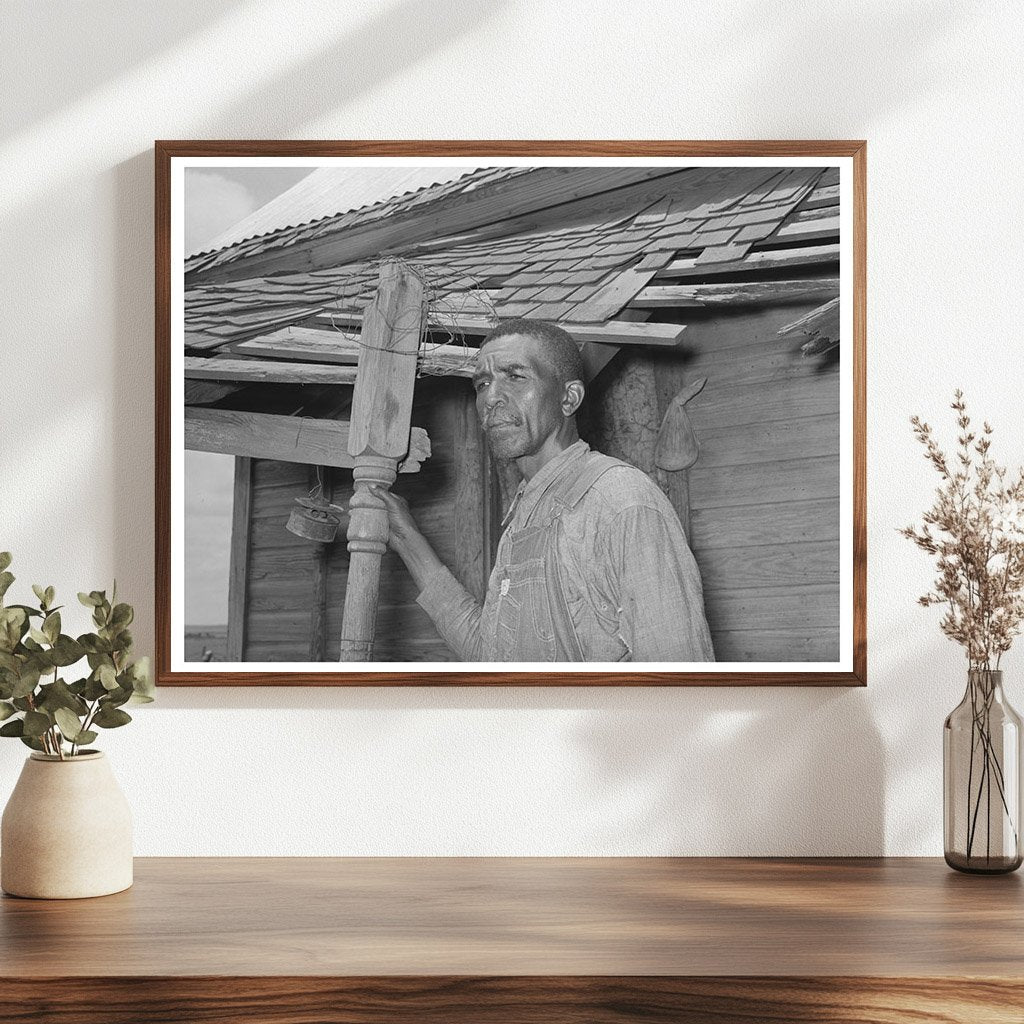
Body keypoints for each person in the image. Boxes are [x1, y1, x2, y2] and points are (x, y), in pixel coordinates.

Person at [372, 318, 715, 663]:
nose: (491, 398)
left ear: (569, 398)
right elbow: (491, 656)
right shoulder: (526, 513)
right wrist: (405, 536)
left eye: (515, 376)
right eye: (482, 383)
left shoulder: (621, 502)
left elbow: (684, 687)